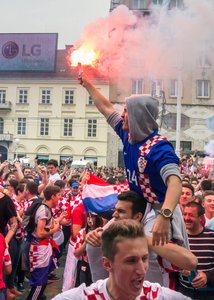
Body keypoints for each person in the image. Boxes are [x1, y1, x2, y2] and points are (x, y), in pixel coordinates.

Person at [80, 74, 186, 248]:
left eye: (126, 111)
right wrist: (87, 85)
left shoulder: (159, 147)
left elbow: (175, 183)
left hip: (159, 209)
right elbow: (106, 108)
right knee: (96, 244)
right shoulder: (127, 135)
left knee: (150, 250)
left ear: (138, 116)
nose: (121, 115)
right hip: (135, 208)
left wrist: (165, 216)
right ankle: (107, 277)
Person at [54, 220, 190, 299]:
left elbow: (191, 263)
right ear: (107, 264)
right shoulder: (82, 297)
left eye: (144, 258)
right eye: (131, 261)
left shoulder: (157, 296)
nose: (142, 270)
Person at [85, 191, 197, 286]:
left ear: (137, 217)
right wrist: (92, 239)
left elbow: (190, 262)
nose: (114, 215)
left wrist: (139, 236)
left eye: (121, 211)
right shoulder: (112, 242)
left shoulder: (151, 248)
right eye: (115, 210)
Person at [178, 202, 214, 300]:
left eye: (191, 215)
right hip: (183, 292)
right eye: (185, 214)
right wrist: (179, 269)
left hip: (207, 294)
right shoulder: (179, 237)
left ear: (201, 218)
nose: (186, 218)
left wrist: (207, 277)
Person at [27, 185, 67, 300]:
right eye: (58, 196)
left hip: (43, 247)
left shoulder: (46, 208)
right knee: (39, 282)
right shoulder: (44, 209)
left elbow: (47, 226)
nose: (60, 198)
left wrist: (58, 221)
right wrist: (55, 229)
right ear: (53, 196)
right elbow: (40, 233)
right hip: (39, 249)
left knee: (43, 279)